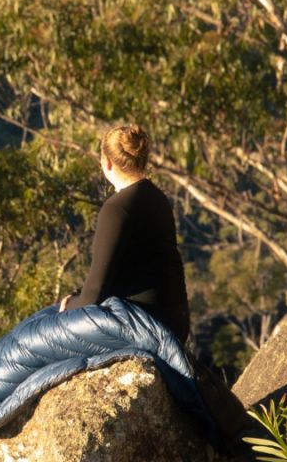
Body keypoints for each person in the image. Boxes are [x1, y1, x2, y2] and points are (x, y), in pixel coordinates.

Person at [58, 123, 191, 345]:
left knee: (40, 327)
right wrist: (78, 295)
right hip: (174, 321)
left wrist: (68, 305)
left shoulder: (116, 209)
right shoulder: (156, 196)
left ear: (107, 163)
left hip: (146, 324)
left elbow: (95, 293)